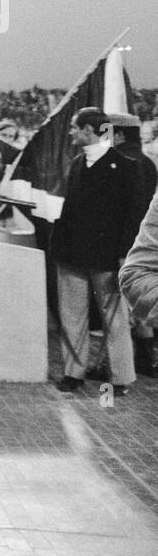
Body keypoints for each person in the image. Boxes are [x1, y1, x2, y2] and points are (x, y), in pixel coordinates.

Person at [49, 109, 145, 396]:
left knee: (113, 318)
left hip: (107, 257)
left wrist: (124, 255)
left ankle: (121, 378)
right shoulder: (78, 163)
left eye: (74, 128)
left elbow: (133, 216)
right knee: (71, 316)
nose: (70, 133)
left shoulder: (126, 166)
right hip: (73, 254)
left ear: (89, 131)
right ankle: (73, 373)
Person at [111, 113, 158, 377]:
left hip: (126, 244)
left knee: (118, 310)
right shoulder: (148, 163)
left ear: (118, 134)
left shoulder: (117, 162)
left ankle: (136, 361)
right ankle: (146, 358)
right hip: (143, 242)